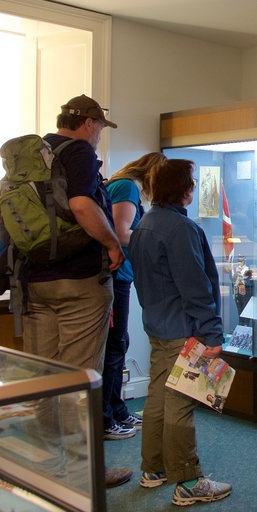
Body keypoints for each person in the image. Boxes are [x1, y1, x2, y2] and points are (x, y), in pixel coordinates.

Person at [24, 94, 131, 488]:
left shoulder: (34, 153)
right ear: (88, 123)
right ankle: (84, 472)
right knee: (80, 378)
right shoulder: (80, 153)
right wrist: (111, 244)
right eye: (101, 127)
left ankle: (44, 463)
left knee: (44, 375)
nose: (100, 135)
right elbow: (84, 205)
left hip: (34, 283)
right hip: (79, 283)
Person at [130, 158, 232, 506]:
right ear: (185, 190)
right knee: (180, 403)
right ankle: (188, 480)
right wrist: (212, 334)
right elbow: (195, 287)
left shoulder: (145, 223)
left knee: (157, 398)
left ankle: (154, 468)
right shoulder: (180, 229)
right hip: (184, 333)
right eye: (191, 183)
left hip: (158, 328)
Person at [102, 152, 167, 441]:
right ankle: (106, 417)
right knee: (114, 346)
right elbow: (120, 232)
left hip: (121, 275)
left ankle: (116, 409)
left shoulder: (122, 184)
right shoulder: (127, 186)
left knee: (119, 344)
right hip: (115, 276)